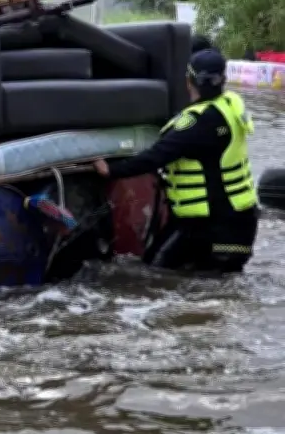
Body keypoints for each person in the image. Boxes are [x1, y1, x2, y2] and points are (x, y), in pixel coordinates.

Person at [93, 47, 259, 273]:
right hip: (240, 222)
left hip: (210, 228)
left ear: (188, 81)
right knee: (212, 290)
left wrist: (110, 170)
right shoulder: (231, 106)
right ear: (223, 80)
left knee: (154, 275)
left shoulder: (196, 124)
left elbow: (155, 157)